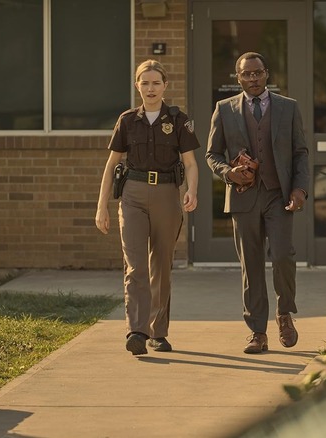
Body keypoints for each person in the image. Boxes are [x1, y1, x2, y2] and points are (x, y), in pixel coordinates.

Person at [206, 52, 310, 354]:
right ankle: (257, 332)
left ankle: (284, 314)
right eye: (246, 74)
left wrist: (300, 189)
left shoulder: (288, 108)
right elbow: (212, 155)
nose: (252, 79)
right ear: (237, 78)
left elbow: (300, 152)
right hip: (243, 198)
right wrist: (229, 173)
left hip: (278, 195)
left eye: (258, 73)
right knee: (250, 266)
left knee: (282, 256)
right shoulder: (224, 110)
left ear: (267, 74)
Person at [95, 59, 200, 356]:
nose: (150, 88)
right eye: (145, 82)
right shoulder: (127, 120)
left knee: (161, 267)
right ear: (137, 85)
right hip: (133, 196)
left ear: (165, 85)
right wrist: (101, 206)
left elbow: (191, 163)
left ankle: (158, 332)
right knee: (135, 266)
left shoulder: (179, 120)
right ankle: (137, 331)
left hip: (168, 195)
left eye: (156, 82)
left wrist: (192, 191)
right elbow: (112, 164)